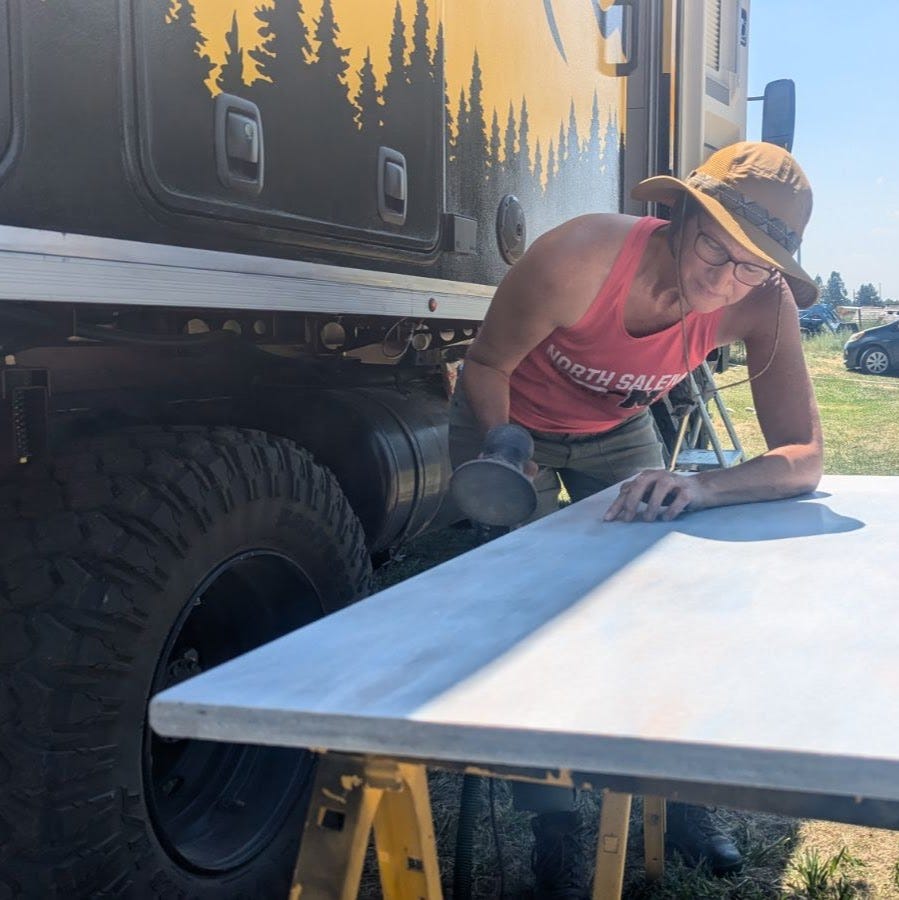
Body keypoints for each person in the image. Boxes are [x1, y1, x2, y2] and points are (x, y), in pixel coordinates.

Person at [448, 142, 823, 898]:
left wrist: (698, 488)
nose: (724, 280)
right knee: (527, 620)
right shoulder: (578, 257)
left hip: (616, 432)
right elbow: (483, 365)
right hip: (510, 422)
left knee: (660, 610)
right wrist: (501, 449)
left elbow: (803, 455)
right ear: (679, 213)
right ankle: (554, 824)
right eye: (715, 247)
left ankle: (679, 799)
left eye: (751, 265)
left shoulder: (763, 300)